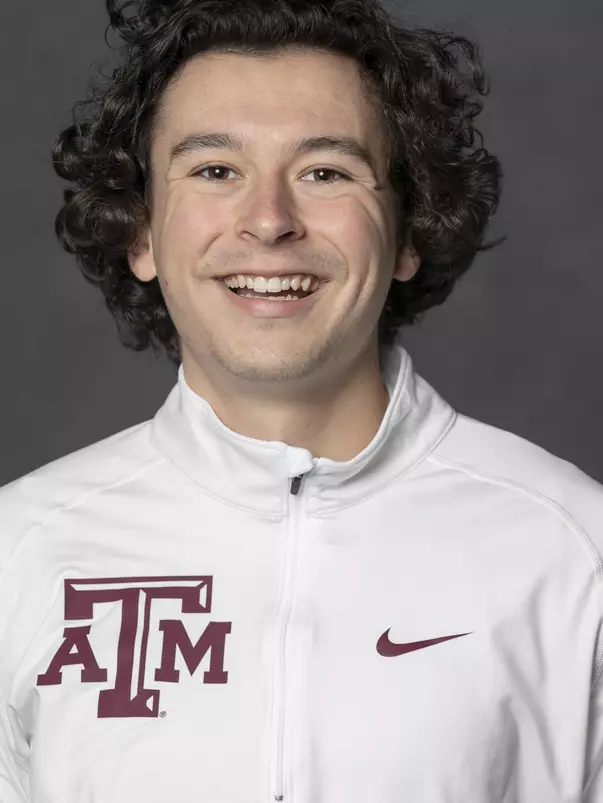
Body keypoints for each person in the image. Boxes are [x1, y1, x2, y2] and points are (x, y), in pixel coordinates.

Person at [0, 0, 602, 800]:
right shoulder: (20, 551)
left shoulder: (572, 549)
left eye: (326, 171)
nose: (269, 221)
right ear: (141, 232)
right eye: (215, 170)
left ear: (408, 230)